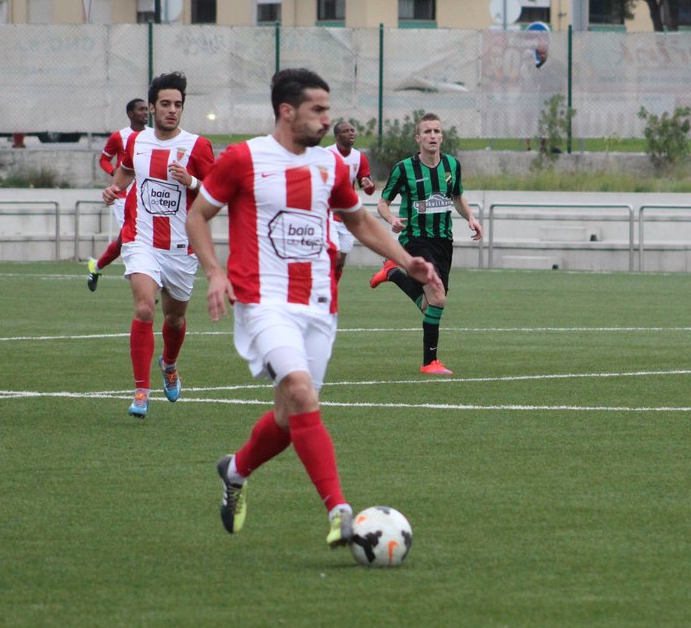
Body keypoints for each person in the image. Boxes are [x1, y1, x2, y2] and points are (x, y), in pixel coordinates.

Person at [185, 68, 442, 547]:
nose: (328, 120)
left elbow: (359, 222)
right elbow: (198, 215)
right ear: (287, 111)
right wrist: (215, 272)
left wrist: (407, 261)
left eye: (328, 109)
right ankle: (339, 511)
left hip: (319, 305)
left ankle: (235, 471)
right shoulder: (243, 158)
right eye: (318, 110)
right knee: (302, 395)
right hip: (263, 302)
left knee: (289, 417)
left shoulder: (329, 167)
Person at [102, 72, 215, 417]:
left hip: (181, 247)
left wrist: (191, 181)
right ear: (151, 108)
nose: (172, 110)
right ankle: (141, 391)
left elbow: (217, 192)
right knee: (144, 309)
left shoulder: (197, 146)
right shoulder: (137, 142)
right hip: (141, 239)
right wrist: (115, 189)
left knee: (175, 319)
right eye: (165, 104)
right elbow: (125, 170)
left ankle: (168, 364)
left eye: (177, 104)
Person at [370, 112, 482, 375]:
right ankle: (429, 362)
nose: (433, 136)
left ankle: (393, 273)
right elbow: (382, 203)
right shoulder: (403, 169)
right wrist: (392, 219)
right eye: (427, 131)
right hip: (415, 240)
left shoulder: (452, 166)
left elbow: (457, 197)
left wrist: (471, 218)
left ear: (442, 137)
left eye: (437, 131)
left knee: (430, 303)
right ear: (418, 138)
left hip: (443, 241)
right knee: (438, 296)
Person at [87, 98, 150, 291]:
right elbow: (103, 160)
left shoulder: (152, 136)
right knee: (132, 239)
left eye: (147, 109)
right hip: (123, 197)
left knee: (126, 240)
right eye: (141, 109)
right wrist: (115, 173)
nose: (146, 113)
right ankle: (145, 285)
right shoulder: (119, 136)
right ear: (131, 114)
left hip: (145, 195)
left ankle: (96, 266)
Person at [325, 120, 376, 281]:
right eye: (346, 131)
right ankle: (325, 291)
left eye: (352, 130)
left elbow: (368, 188)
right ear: (337, 135)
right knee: (335, 256)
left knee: (341, 262)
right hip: (328, 214)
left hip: (347, 217)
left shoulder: (359, 157)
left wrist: (369, 184)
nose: (351, 133)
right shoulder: (326, 154)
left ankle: (332, 289)